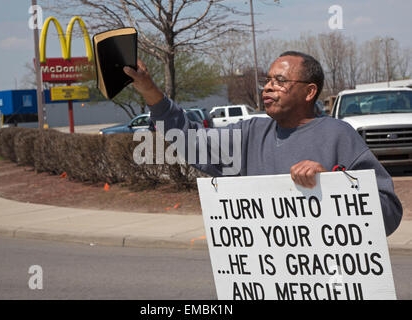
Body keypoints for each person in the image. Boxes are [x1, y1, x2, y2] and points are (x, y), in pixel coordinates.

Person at [123, 51, 402, 236]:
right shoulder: (250, 133)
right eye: (266, 81)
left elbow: (388, 214)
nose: (267, 87)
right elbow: (186, 139)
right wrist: (149, 89)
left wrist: (332, 184)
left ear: (309, 91)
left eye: (279, 81)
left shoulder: (338, 135)